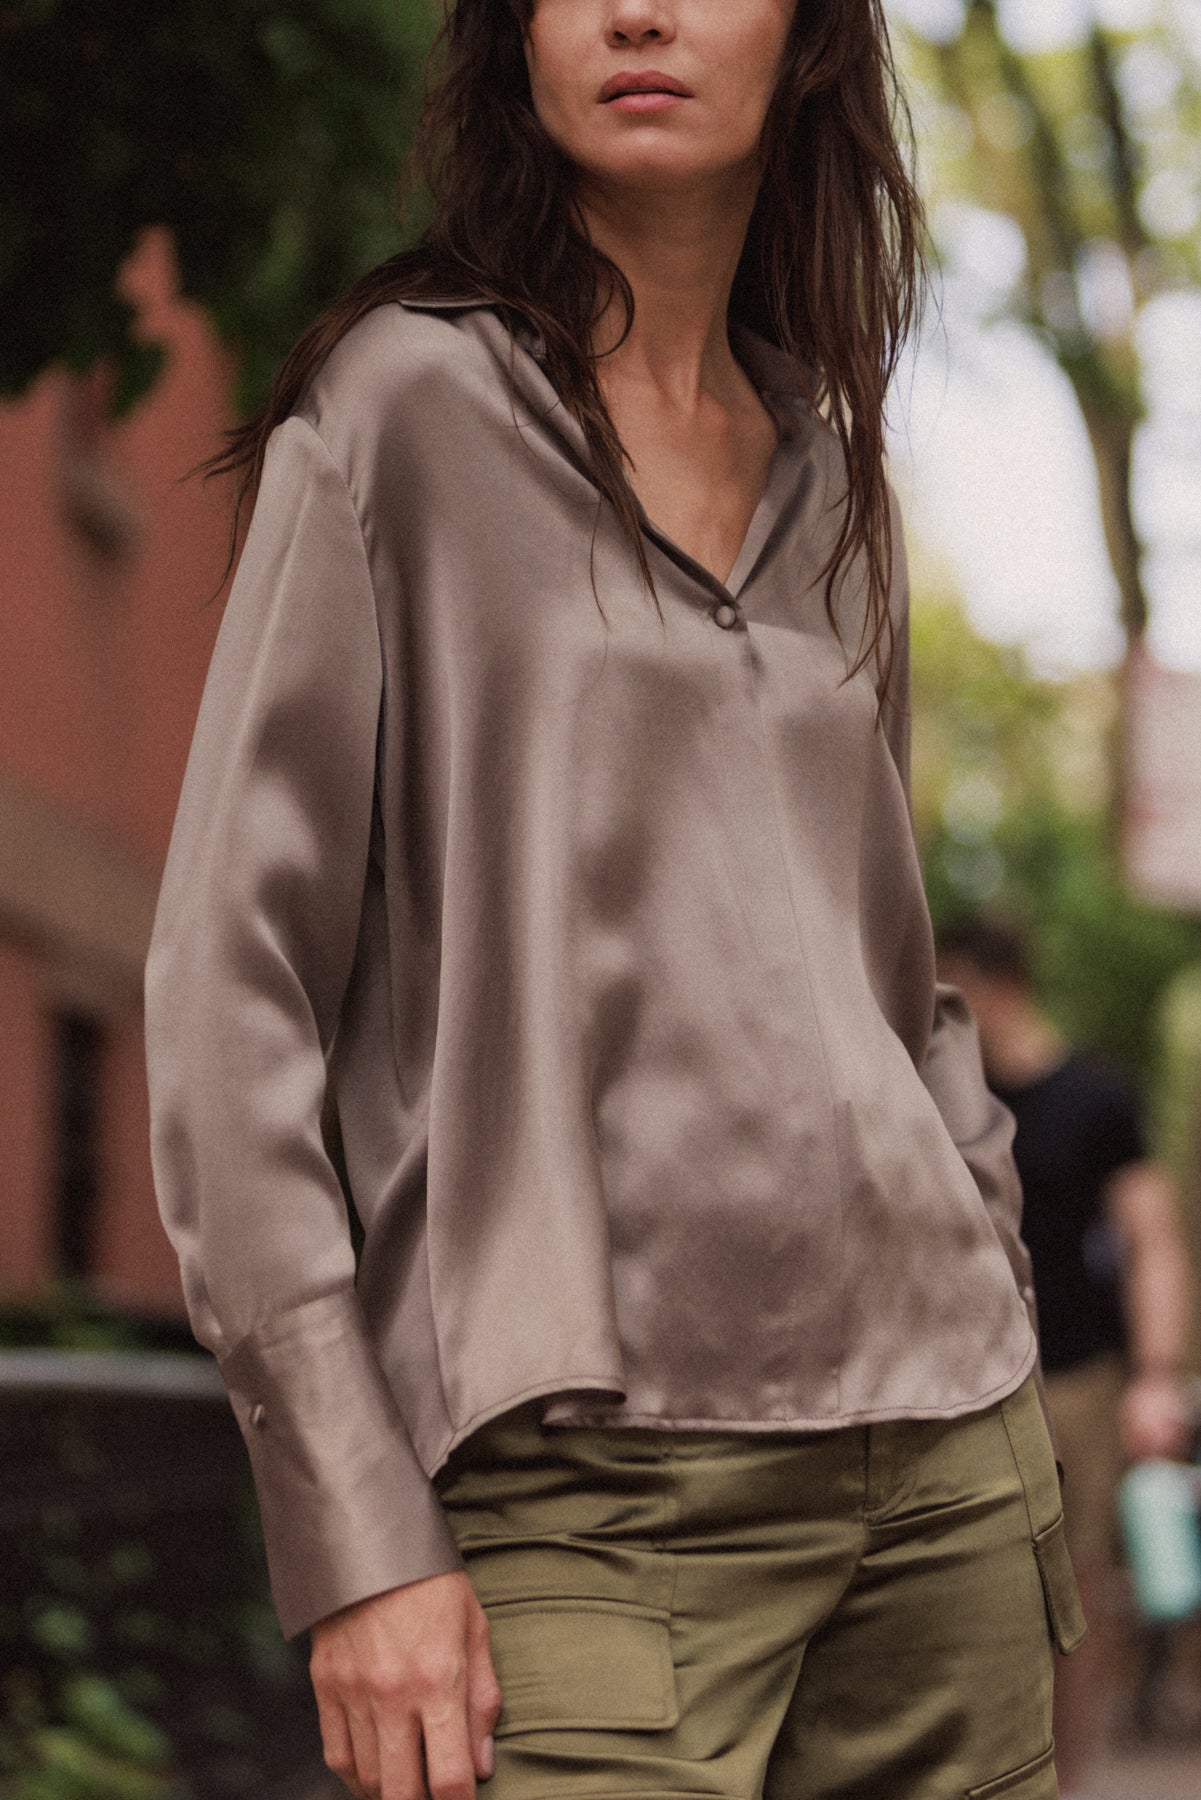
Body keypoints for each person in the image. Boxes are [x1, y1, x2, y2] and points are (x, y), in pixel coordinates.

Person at [145, 5, 1085, 1799]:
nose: (639, 9)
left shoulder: (835, 475)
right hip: (583, 1493)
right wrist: (356, 1525)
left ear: (808, 38)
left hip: (944, 1471)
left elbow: (890, 980)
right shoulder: (403, 407)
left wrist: (993, 1263)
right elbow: (226, 985)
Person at [938, 917, 1194, 1800]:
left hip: (1077, 1379)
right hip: (964, 1380)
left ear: (987, 982)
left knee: (1077, 1595)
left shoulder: (1094, 1095)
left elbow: (1151, 1238)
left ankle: (1064, 1779)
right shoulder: (942, 1100)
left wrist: (1155, 1377)